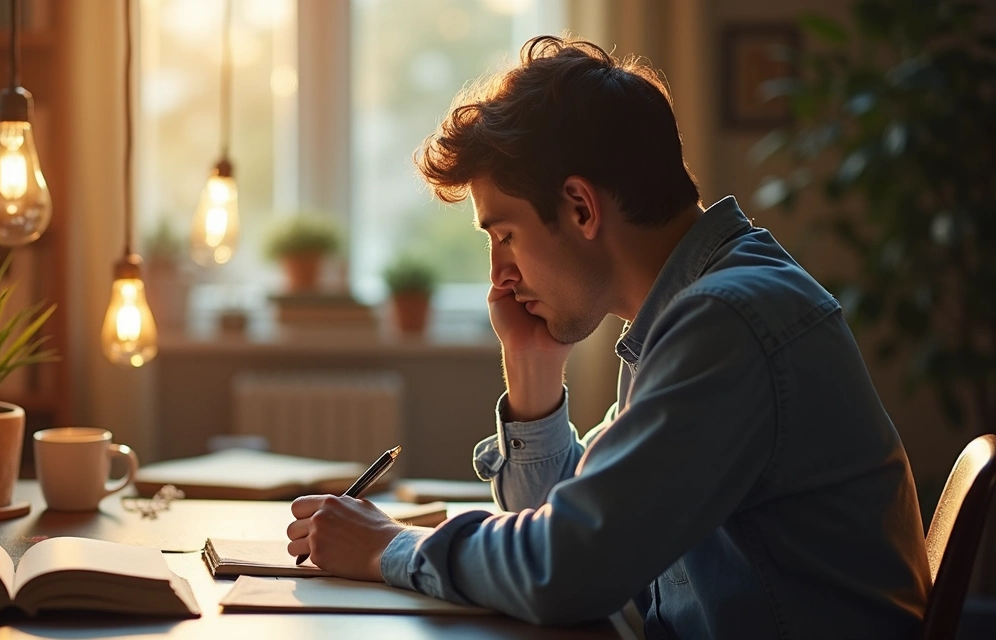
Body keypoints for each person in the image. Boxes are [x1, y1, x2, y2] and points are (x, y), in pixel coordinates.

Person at [285, 36, 931, 638]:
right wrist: (533, 375)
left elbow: (565, 571)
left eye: (504, 235)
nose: (499, 277)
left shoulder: (727, 323)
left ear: (581, 208)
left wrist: (387, 548)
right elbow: (576, 524)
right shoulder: (692, 311)